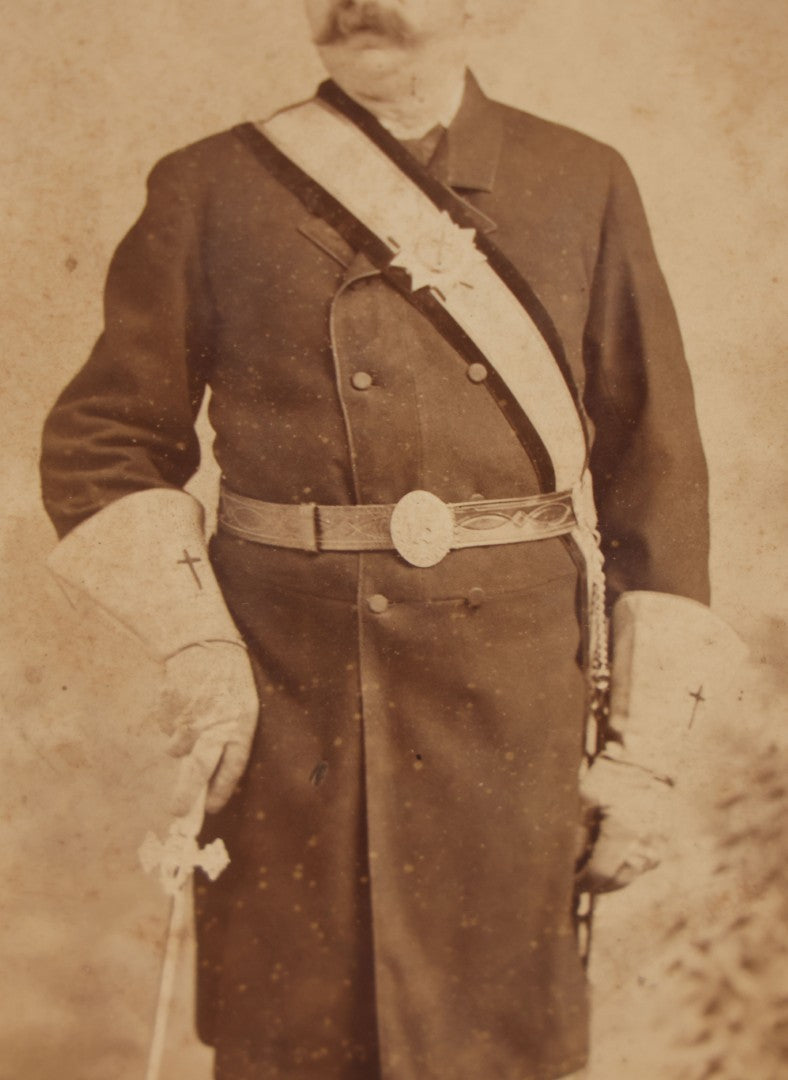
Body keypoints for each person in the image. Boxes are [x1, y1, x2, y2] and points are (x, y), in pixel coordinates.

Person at [39, 2, 742, 1078]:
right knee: (293, 1045)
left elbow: (656, 471)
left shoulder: (580, 179)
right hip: (288, 700)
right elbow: (101, 443)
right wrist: (195, 650)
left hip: (508, 717)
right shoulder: (208, 187)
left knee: (488, 1049)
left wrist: (642, 760)